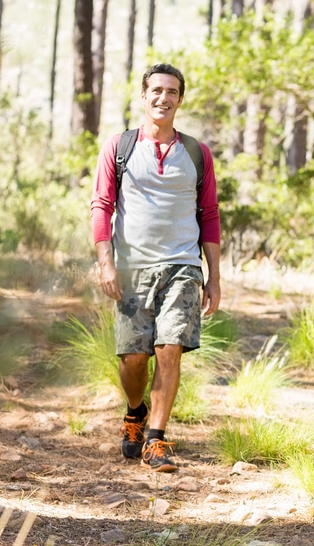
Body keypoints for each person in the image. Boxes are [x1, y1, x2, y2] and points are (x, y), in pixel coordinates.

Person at [90, 63, 221, 473]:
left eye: (172, 92)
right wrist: (107, 263)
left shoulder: (197, 153)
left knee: (169, 349)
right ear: (144, 96)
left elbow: (210, 214)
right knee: (133, 358)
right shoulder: (120, 147)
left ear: (180, 99)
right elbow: (101, 206)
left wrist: (214, 276)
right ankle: (135, 411)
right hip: (131, 268)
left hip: (182, 264)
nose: (164, 98)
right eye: (157, 90)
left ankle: (156, 439)